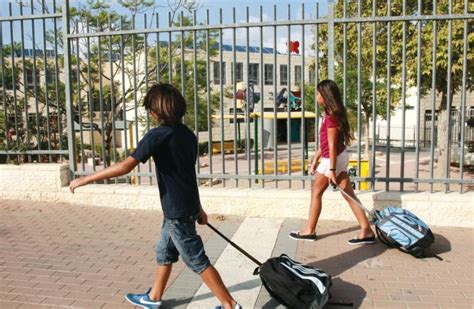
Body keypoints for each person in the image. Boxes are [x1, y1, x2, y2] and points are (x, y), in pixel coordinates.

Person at [70, 83, 241, 309]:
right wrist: (198, 208)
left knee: (197, 260)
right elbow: (187, 177)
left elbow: (124, 167)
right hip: (182, 207)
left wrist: (85, 179)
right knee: (164, 251)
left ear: (154, 112)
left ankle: (230, 305)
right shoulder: (188, 136)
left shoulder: (156, 136)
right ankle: (153, 298)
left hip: (177, 212)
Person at [289, 79, 375, 245]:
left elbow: (331, 145)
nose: (316, 97)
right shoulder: (333, 115)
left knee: (316, 193)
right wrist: (315, 159)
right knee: (348, 194)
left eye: (318, 94)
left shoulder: (330, 118)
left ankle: (309, 230)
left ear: (326, 96)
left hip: (332, 160)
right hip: (337, 157)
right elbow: (327, 143)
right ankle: (366, 230)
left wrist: (332, 169)